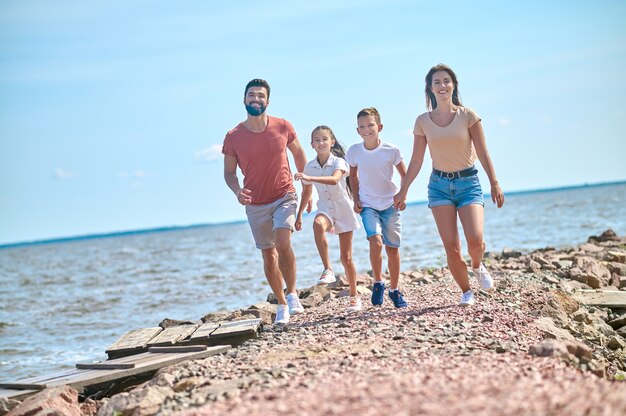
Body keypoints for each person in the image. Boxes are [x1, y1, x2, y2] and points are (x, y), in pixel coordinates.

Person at [394, 64, 505, 306]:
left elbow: (483, 152)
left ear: (453, 85)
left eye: (446, 81)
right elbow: (416, 159)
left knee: (475, 240)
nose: (442, 85)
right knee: (452, 247)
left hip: (468, 183)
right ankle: (466, 291)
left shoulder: (468, 116)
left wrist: (494, 182)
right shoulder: (422, 121)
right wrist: (403, 189)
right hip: (439, 186)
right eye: (437, 82)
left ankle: (477, 265)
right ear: (430, 88)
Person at [222, 78, 307, 325]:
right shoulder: (234, 136)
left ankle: (292, 294)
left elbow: (299, 153)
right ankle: (281, 304)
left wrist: (307, 184)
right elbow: (229, 173)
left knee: (283, 241)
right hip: (255, 203)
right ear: (244, 99)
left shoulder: (282, 126)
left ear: (267, 101)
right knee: (268, 255)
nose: (256, 99)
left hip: (284, 195)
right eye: (251, 95)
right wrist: (237, 190)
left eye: (260, 96)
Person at [294, 126, 362, 312]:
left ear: (332, 142)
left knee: (346, 258)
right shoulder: (310, 166)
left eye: (324, 139)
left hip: (343, 210)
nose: (321, 142)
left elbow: (334, 180)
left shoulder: (339, 162)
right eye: (317, 140)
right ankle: (328, 270)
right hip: (325, 208)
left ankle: (354, 296)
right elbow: (307, 190)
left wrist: (309, 177)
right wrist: (299, 214)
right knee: (317, 224)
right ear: (312, 145)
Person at [346, 107, 408, 308]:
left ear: (379, 127)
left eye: (370, 125)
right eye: (362, 126)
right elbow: (352, 176)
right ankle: (379, 282)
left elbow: (405, 175)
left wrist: (402, 195)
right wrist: (356, 199)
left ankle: (395, 290)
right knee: (375, 241)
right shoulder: (354, 151)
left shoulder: (392, 150)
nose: (367, 129)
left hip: (391, 204)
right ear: (357, 130)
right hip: (368, 205)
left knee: (393, 250)